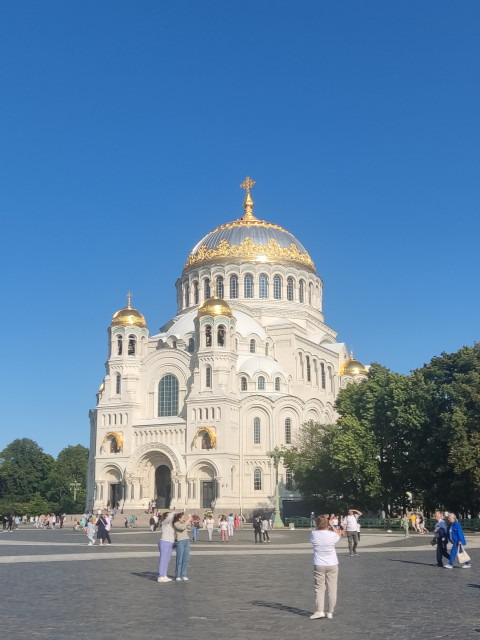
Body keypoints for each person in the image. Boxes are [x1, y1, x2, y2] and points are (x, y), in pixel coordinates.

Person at [309, 515, 342, 620]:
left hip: (319, 564)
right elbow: (339, 535)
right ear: (327, 524)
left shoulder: (313, 534)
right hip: (332, 563)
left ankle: (320, 611)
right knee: (332, 589)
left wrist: (322, 523)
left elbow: (316, 530)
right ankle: (330, 612)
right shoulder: (332, 535)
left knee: (319, 588)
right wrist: (331, 525)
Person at [158, 511, 176, 582]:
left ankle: (164, 574)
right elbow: (169, 518)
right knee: (163, 559)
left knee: (167, 560)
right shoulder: (164, 523)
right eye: (169, 515)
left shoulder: (170, 525)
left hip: (170, 543)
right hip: (164, 542)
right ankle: (160, 576)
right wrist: (173, 512)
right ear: (166, 517)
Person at [173, 512, 192, 581]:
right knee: (179, 559)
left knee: (186, 559)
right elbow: (182, 528)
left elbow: (189, 528)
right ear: (179, 518)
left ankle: (183, 574)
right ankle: (177, 575)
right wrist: (187, 521)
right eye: (183, 518)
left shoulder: (184, 523)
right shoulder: (176, 524)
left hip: (186, 540)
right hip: (180, 541)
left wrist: (190, 522)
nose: (184, 519)